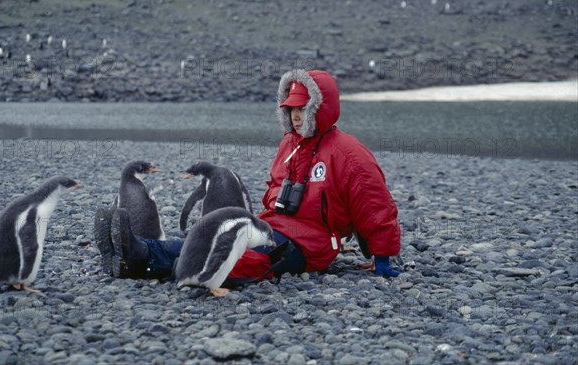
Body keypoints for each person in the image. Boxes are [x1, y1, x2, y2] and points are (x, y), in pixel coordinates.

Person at [94, 69, 401, 282]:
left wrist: (383, 257)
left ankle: (147, 259)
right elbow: (273, 191)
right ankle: (141, 253)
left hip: (311, 245)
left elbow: (375, 206)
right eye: (290, 108)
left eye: (303, 108)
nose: (295, 116)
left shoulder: (348, 153)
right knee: (218, 233)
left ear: (321, 107)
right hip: (273, 226)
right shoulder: (289, 145)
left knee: (243, 255)